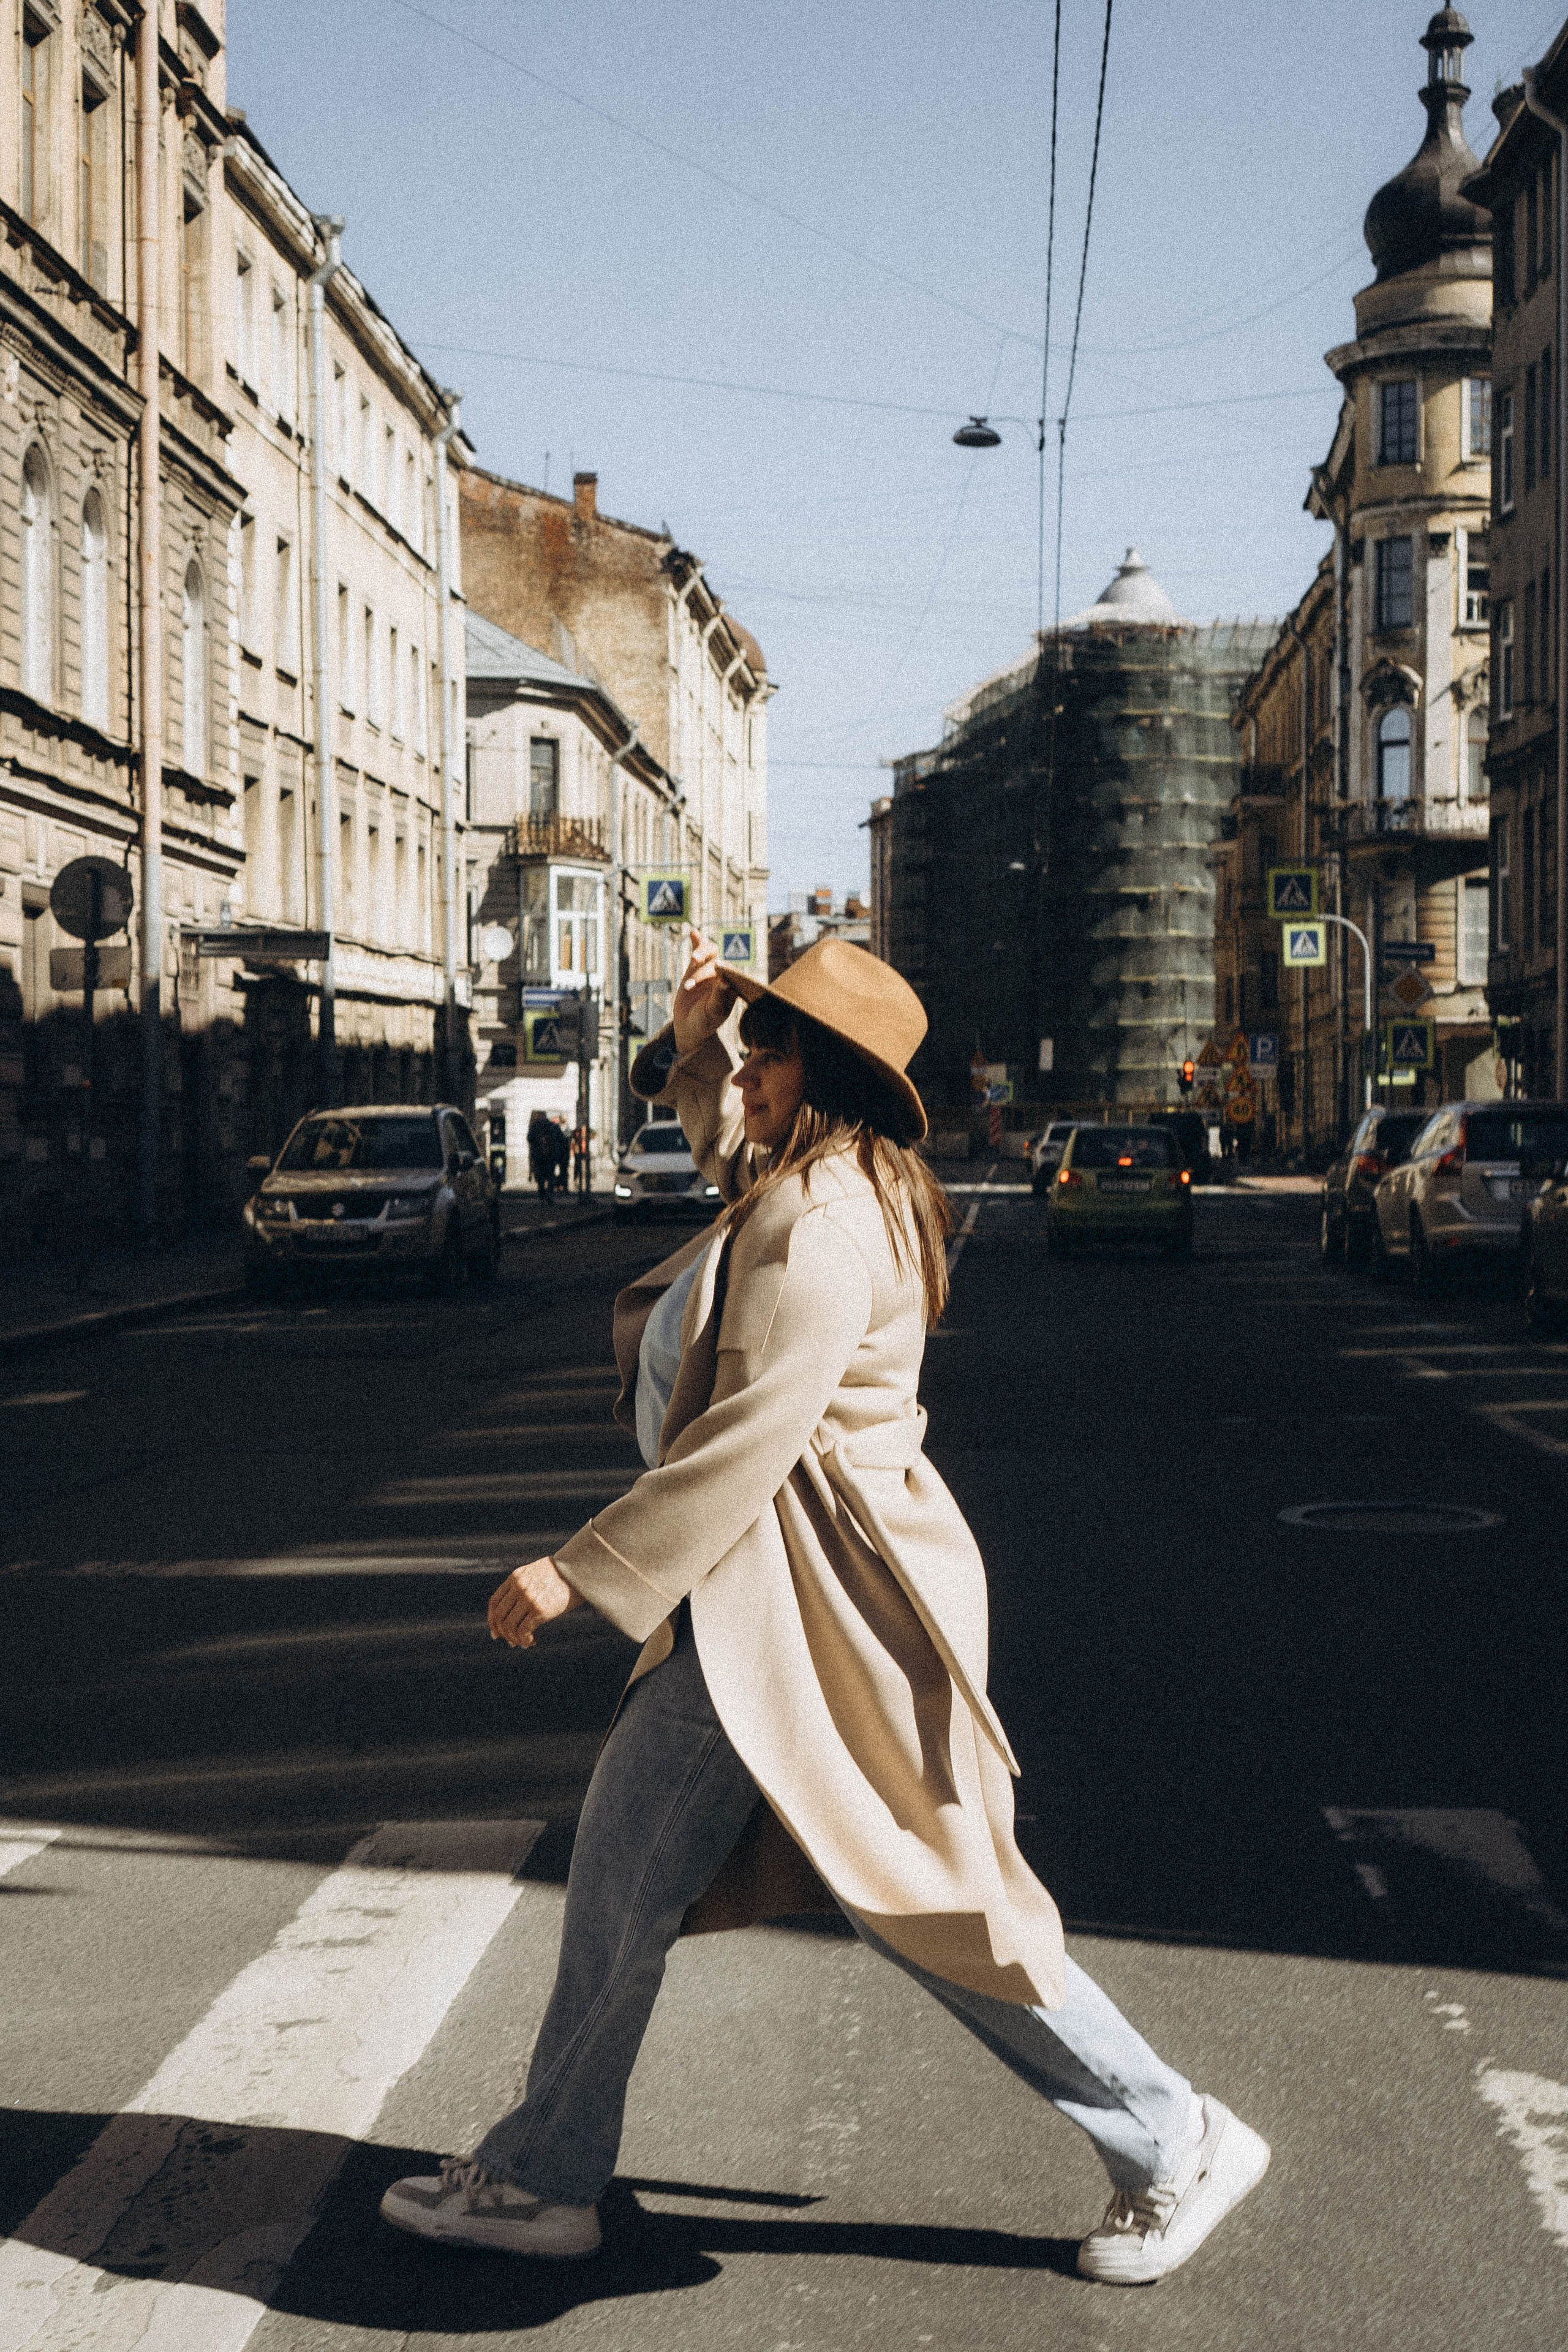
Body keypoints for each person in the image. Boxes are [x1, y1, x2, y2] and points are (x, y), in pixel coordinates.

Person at [380, 930, 1269, 2283]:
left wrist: (584, 1569)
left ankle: (1172, 2134)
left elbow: (748, 1434)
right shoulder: (822, 1181)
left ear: (825, 1075)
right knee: (683, 1879)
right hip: (773, 1598)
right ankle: (545, 2171)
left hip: (806, 1604)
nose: (744, 1072)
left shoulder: (823, 1224)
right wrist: (692, 1043)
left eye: (766, 1049)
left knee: (916, 1896)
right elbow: (731, 1168)